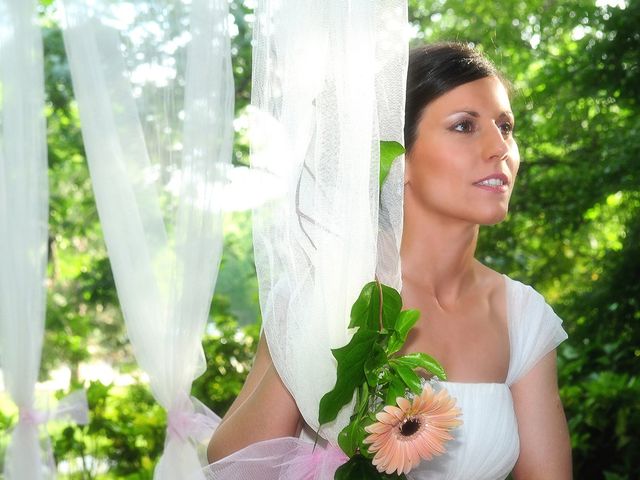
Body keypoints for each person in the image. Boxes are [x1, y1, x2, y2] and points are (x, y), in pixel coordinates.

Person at [207, 42, 572, 479]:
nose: (501, 147)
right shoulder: (323, 291)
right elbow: (235, 465)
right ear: (399, 160)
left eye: (506, 126)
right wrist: (321, 320)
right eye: (463, 127)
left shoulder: (523, 317)